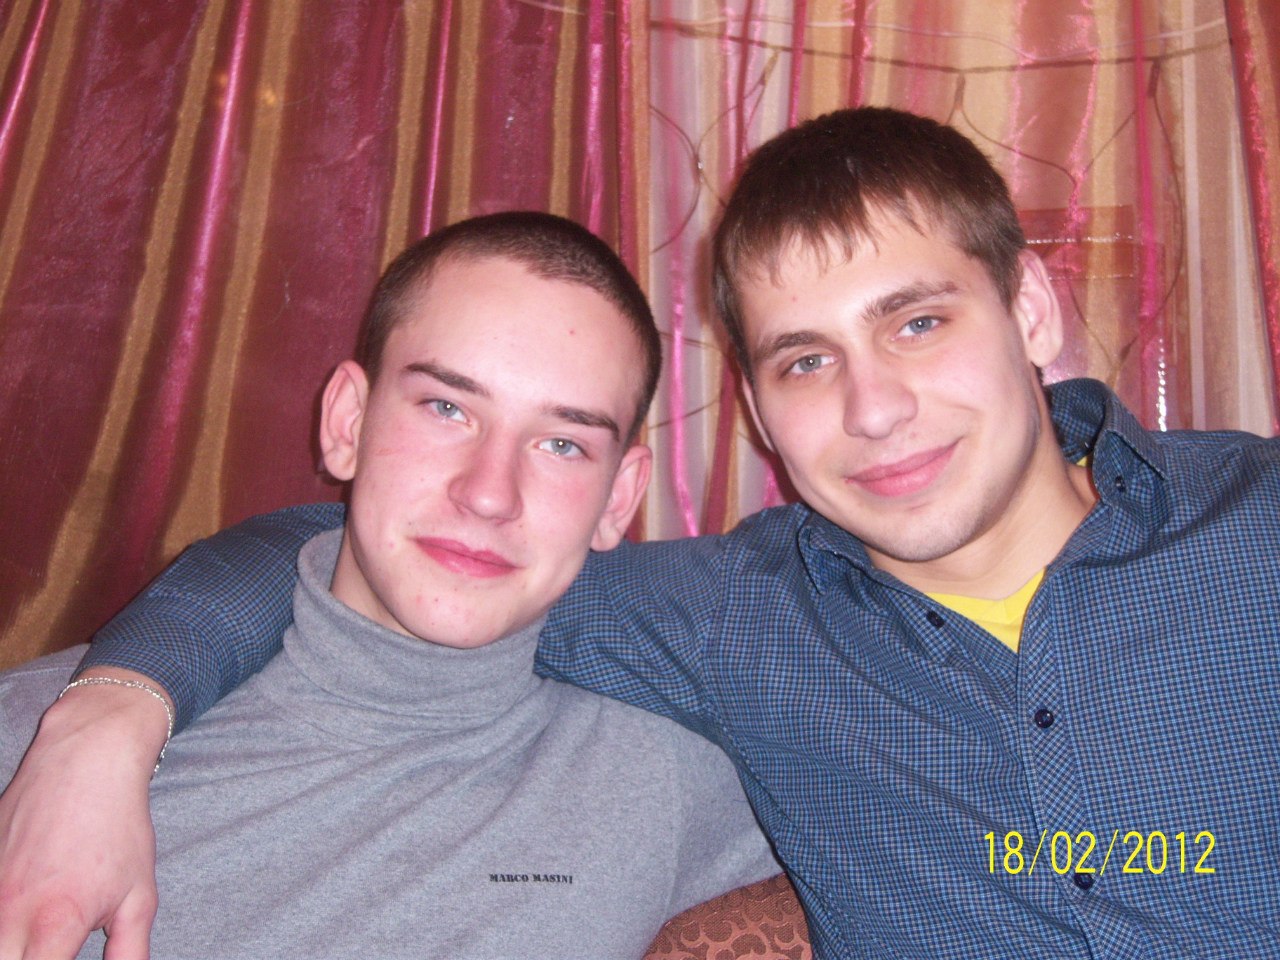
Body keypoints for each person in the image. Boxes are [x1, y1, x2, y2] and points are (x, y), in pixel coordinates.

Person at [5, 107, 1279, 958]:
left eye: (916, 322)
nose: (873, 407)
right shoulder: (736, 622)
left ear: (1030, 311)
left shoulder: (1256, 529)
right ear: (758, 415)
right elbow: (352, 548)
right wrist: (106, 717)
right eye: (803, 360)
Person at [0, 212, 780, 959]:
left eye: (562, 444)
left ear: (619, 498)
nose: (489, 493)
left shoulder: (668, 779)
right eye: (446, 408)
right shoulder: (40, 753)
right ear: (348, 421)